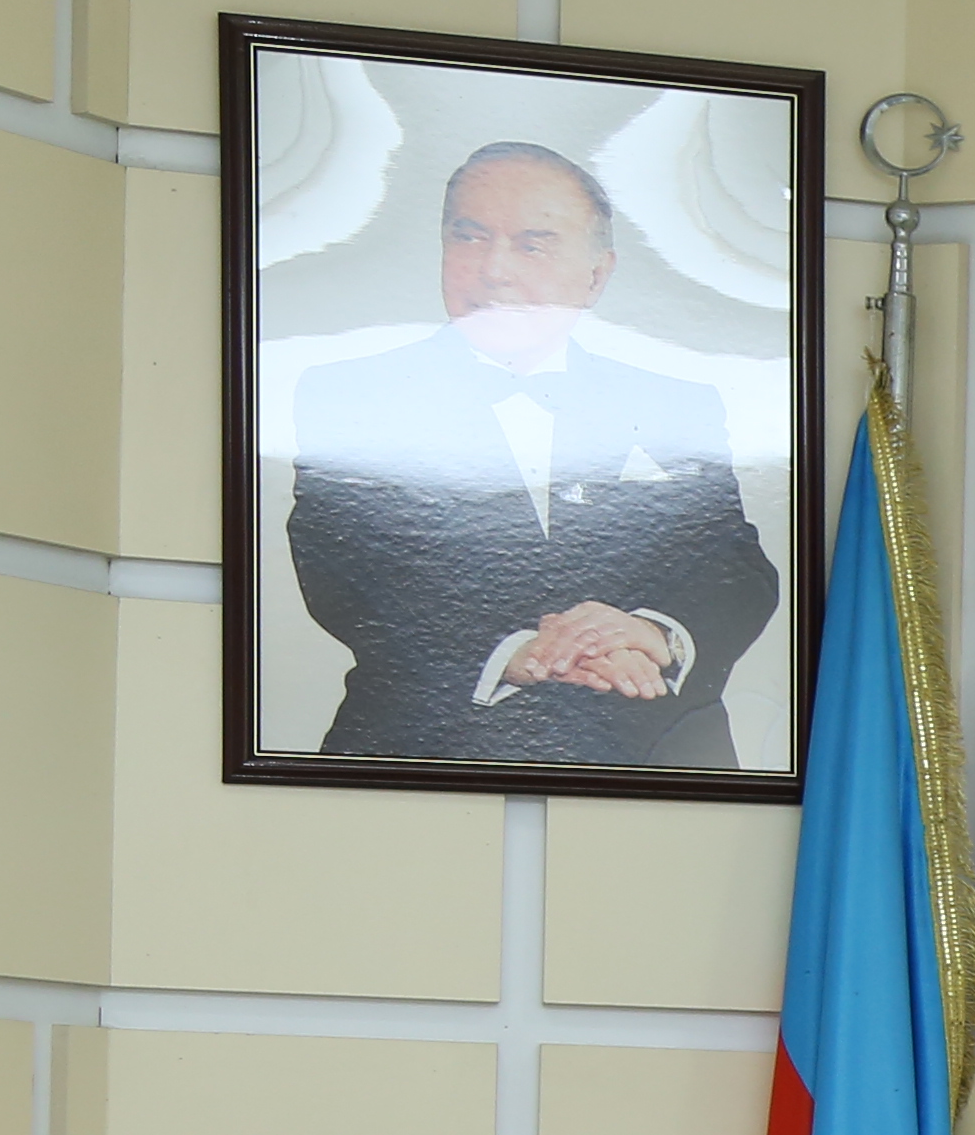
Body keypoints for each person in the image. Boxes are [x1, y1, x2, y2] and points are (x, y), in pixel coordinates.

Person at [272, 142, 786, 773]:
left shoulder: (678, 404)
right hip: (420, 758)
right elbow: (344, 568)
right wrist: (519, 651)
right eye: (469, 237)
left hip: (660, 763)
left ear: (597, 275)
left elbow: (732, 565)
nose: (494, 270)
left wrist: (649, 633)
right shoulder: (348, 394)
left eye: (532, 244)